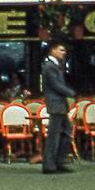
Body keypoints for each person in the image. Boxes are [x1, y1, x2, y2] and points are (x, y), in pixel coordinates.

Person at [40, 42, 76, 173]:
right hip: (56, 103)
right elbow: (56, 85)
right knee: (54, 135)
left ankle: (58, 161)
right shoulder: (49, 66)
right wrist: (72, 93)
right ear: (52, 50)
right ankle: (49, 165)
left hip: (60, 104)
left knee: (66, 131)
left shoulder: (55, 65)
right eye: (61, 50)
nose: (64, 52)